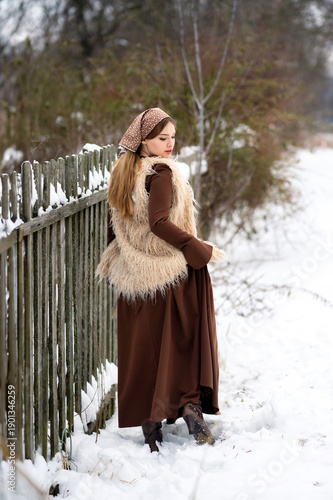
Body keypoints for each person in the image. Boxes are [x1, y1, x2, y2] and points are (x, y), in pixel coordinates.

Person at [97, 107, 226, 452]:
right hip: (170, 272)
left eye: (172, 137)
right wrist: (193, 246)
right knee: (183, 342)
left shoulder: (124, 174)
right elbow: (157, 222)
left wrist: (125, 257)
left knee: (145, 349)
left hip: (134, 277)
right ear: (144, 142)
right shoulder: (161, 172)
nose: (169, 144)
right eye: (161, 138)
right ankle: (189, 405)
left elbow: (116, 227)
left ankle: (150, 421)